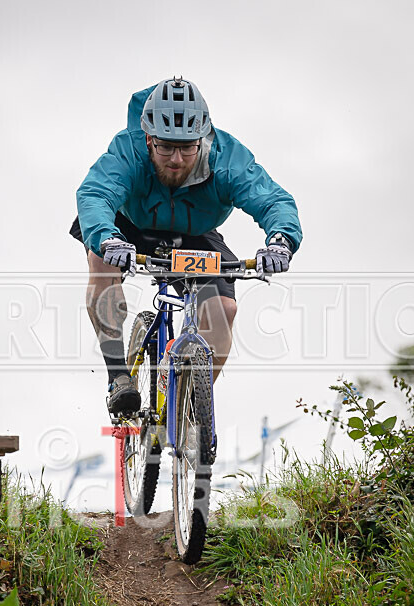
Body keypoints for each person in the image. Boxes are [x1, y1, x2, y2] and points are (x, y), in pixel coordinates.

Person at [70, 77, 302, 416]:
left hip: (195, 234)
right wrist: (107, 237)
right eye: (165, 146)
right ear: (148, 138)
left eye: (187, 147)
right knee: (100, 260)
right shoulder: (128, 149)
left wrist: (281, 240)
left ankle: (187, 413)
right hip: (128, 227)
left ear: (202, 139)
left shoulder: (225, 156)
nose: (177, 159)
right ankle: (118, 376)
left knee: (224, 310)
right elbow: (95, 194)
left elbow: (272, 199)